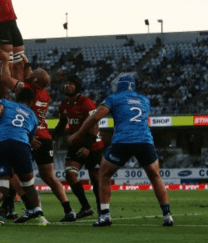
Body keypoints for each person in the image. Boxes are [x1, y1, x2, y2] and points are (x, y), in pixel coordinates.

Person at [68, 75, 173, 228]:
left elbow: (96, 116)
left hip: (123, 141)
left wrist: (78, 134)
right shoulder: (144, 100)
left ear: (119, 86)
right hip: (144, 140)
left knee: (104, 174)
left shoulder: (114, 98)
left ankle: (104, 215)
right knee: (155, 175)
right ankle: (167, 215)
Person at [0, 87, 48, 226]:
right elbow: (30, 136)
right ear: (31, 101)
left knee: (2, 186)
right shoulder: (32, 116)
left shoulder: (6, 102)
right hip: (20, 144)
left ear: (17, 96)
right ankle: (40, 217)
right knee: (29, 184)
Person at [23, 69, 76, 222]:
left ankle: (29, 209)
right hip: (45, 137)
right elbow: (31, 77)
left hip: (31, 137)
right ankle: (68, 210)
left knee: (15, 173)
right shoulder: (44, 94)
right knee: (50, 177)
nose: (31, 74)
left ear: (34, 81)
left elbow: (17, 78)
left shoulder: (29, 90)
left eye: (34, 75)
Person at [54, 75, 103, 219]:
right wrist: (52, 137)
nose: (67, 86)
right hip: (75, 144)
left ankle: (102, 209)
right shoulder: (63, 104)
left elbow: (94, 125)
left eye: (71, 84)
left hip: (92, 144)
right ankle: (86, 207)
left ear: (77, 86)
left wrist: (87, 147)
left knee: (95, 178)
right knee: (70, 175)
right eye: (66, 84)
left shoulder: (87, 103)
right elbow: (62, 123)